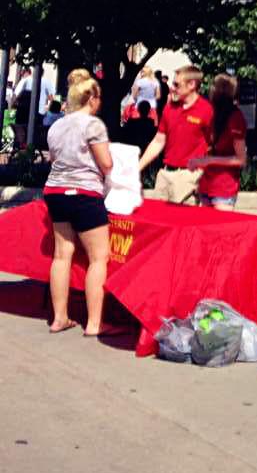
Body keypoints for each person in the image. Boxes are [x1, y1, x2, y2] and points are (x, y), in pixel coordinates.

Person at [42, 76, 121, 336]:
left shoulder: (56, 126)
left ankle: (59, 318)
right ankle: (95, 324)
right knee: (98, 257)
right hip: (85, 193)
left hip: (55, 192)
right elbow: (106, 163)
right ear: (91, 98)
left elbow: (54, 159)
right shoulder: (93, 125)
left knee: (62, 255)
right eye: (98, 98)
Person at [138, 65, 213, 204]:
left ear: (192, 84)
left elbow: (214, 146)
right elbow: (158, 141)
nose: (172, 87)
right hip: (166, 175)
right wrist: (137, 168)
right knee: (159, 223)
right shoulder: (169, 108)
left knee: (187, 224)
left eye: (176, 84)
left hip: (190, 178)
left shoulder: (206, 110)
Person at [189, 74, 247, 209]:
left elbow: (241, 159)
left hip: (223, 186)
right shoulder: (210, 113)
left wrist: (209, 160)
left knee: (219, 229)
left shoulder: (235, 118)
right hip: (207, 183)